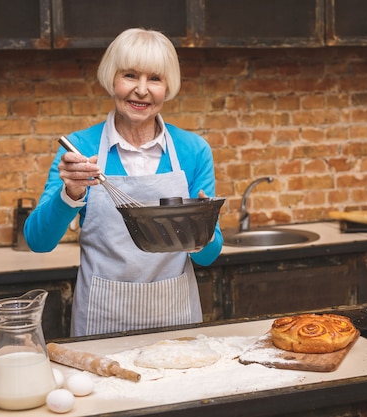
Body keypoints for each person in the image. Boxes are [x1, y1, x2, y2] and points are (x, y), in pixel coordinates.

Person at [24, 28, 222, 337]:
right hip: (102, 318)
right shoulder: (80, 150)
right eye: (130, 75)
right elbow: (38, 241)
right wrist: (70, 193)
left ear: (167, 87)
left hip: (176, 319)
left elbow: (209, 256)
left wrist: (201, 227)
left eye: (155, 79)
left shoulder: (192, 151)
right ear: (111, 79)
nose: (141, 90)